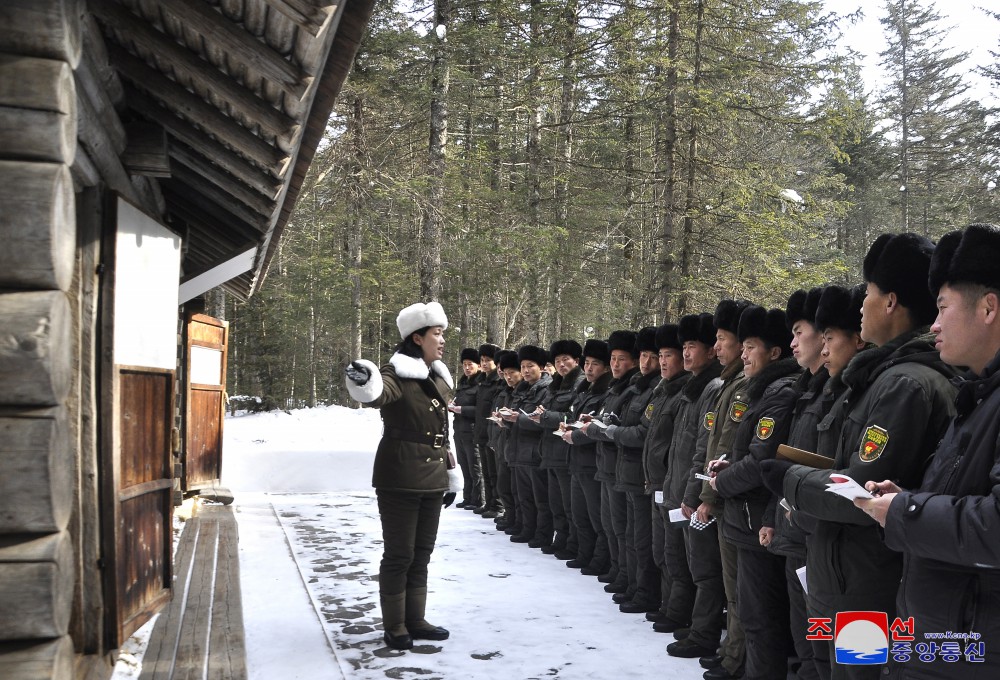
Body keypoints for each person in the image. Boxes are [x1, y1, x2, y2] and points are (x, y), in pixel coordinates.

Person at [770, 233, 958, 680]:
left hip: (869, 582)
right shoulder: (881, 378)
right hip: (849, 576)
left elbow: (865, 491)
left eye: (869, 293)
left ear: (891, 302)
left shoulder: (904, 384)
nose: (861, 305)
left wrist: (789, 481)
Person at [853, 223, 1000, 678]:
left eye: (942, 308)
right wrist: (906, 497)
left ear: (989, 308)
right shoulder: (978, 396)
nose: (933, 324)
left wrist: (904, 510)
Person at [344, 301, 463, 651]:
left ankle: (416, 619)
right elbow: (379, 393)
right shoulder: (394, 373)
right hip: (400, 475)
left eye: (442, 334)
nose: (442, 341)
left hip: (435, 474)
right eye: (436, 334)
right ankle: (395, 625)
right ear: (416, 337)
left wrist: (451, 470)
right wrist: (365, 380)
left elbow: (441, 428)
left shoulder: (437, 375)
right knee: (399, 554)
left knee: (422, 553)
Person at [711, 305, 801, 680]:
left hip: (759, 522)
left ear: (774, 353)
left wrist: (721, 482)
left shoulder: (779, 393)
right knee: (754, 612)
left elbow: (762, 460)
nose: (743, 355)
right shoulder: (763, 389)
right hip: (750, 518)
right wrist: (727, 467)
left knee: (762, 617)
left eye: (750, 347)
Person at [690, 298, 751, 680]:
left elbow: (729, 443)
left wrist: (709, 496)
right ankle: (734, 653)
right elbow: (710, 442)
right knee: (734, 588)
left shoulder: (742, 386)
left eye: (723, 339)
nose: (718, 347)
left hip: (735, 500)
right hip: (722, 492)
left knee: (740, 590)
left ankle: (738, 658)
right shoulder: (729, 383)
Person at [768, 287, 827, 680]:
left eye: (799, 331)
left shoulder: (835, 390)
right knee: (803, 631)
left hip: (820, 534)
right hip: (796, 526)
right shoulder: (807, 388)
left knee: (826, 640)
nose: (792, 343)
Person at [666, 313, 726, 661]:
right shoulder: (695, 387)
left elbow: (704, 449)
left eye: (693, 346)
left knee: (705, 568)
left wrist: (692, 495)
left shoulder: (712, 388)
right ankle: (697, 624)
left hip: (700, 493)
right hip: (685, 489)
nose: (686, 354)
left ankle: (704, 633)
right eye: (684, 346)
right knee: (691, 562)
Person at [600, 326, 666, 613]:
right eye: (645, 355)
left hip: (642, 474)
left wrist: (613, 431)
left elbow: (643, 432)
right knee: (626, 533)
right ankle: (632, 583)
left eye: (655, 356)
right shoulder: (638, 387)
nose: (648, 362)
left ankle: (645, 591)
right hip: (624, 469)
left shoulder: (656, 389)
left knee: (643, 539)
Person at [641, 324, 692, 621]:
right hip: (659, 482)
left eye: (667, 354)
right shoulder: (664, 391)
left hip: (676, 485)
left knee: (676, 554)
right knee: (662, 550)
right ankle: (667, 604)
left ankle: (677, 610)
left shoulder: (685, 391)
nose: (662, 361)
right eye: (660, 354)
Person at [586, 330, 638, 592]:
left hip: (624, 468)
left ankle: (628, 576)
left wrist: (603, 429)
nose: (616, 365)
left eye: (622, 359)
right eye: (614, 359)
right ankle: (619, 569)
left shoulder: (632, 390)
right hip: (608, 466)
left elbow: (627, 429)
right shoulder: (614, 390)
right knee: (612, 525)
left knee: (625, 529)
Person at [562, 339, 613, 576]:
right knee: (579, 513)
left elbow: (599, 428)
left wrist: (577, 435)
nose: (589, 369)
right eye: (587, 364)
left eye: (595, 364)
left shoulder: (606, 391)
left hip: (592, 461)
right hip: (576, 459)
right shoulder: (583, 389)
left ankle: (599, 559)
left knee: (596, 516)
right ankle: (585, 553)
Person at [535, 339, 587, 558]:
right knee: (557, 503)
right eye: (557, 361)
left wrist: (545, 416)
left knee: (569, 505)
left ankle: (573, 542)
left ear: (576, 360)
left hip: (566, 452)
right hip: (550, 450)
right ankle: (562, 538)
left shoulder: (580, 383)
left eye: (566, 360)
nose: (562, 364)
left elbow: (573, 416)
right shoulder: (555, 384)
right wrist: (540, 413)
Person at [503, 345, 553, 547]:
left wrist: (517, 419)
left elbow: (540, 420)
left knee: (539, 498)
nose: (525, 370)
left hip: (534, 451)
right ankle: (526, 528)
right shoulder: (520, 390)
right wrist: (505, 419)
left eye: (530, 366)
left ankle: (542, 534)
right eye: (523, 366)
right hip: (518, 450)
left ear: (541, 367)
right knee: (523, 495)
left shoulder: (546, 389)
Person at [449, 347, 484, 510]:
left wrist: (461, 410)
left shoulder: (480, 385)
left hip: (472, 431)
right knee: (464, 464)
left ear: (478, 365)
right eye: (464, 364)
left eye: (470, 364)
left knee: (475, 465)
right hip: (460, 430)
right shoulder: (463, 384)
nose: (467, 368)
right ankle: (468, 496)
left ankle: (479, 498)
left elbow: (481, 409)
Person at [474, 343, 504, 517]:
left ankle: (497, 505)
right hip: (482, 431)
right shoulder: (482, 382)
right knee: (486, 471)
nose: (484, 364)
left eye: (488, 360)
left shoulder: (497, 383)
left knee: (494, 472)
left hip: (492, 431)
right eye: (482, 360)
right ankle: (489, 501)